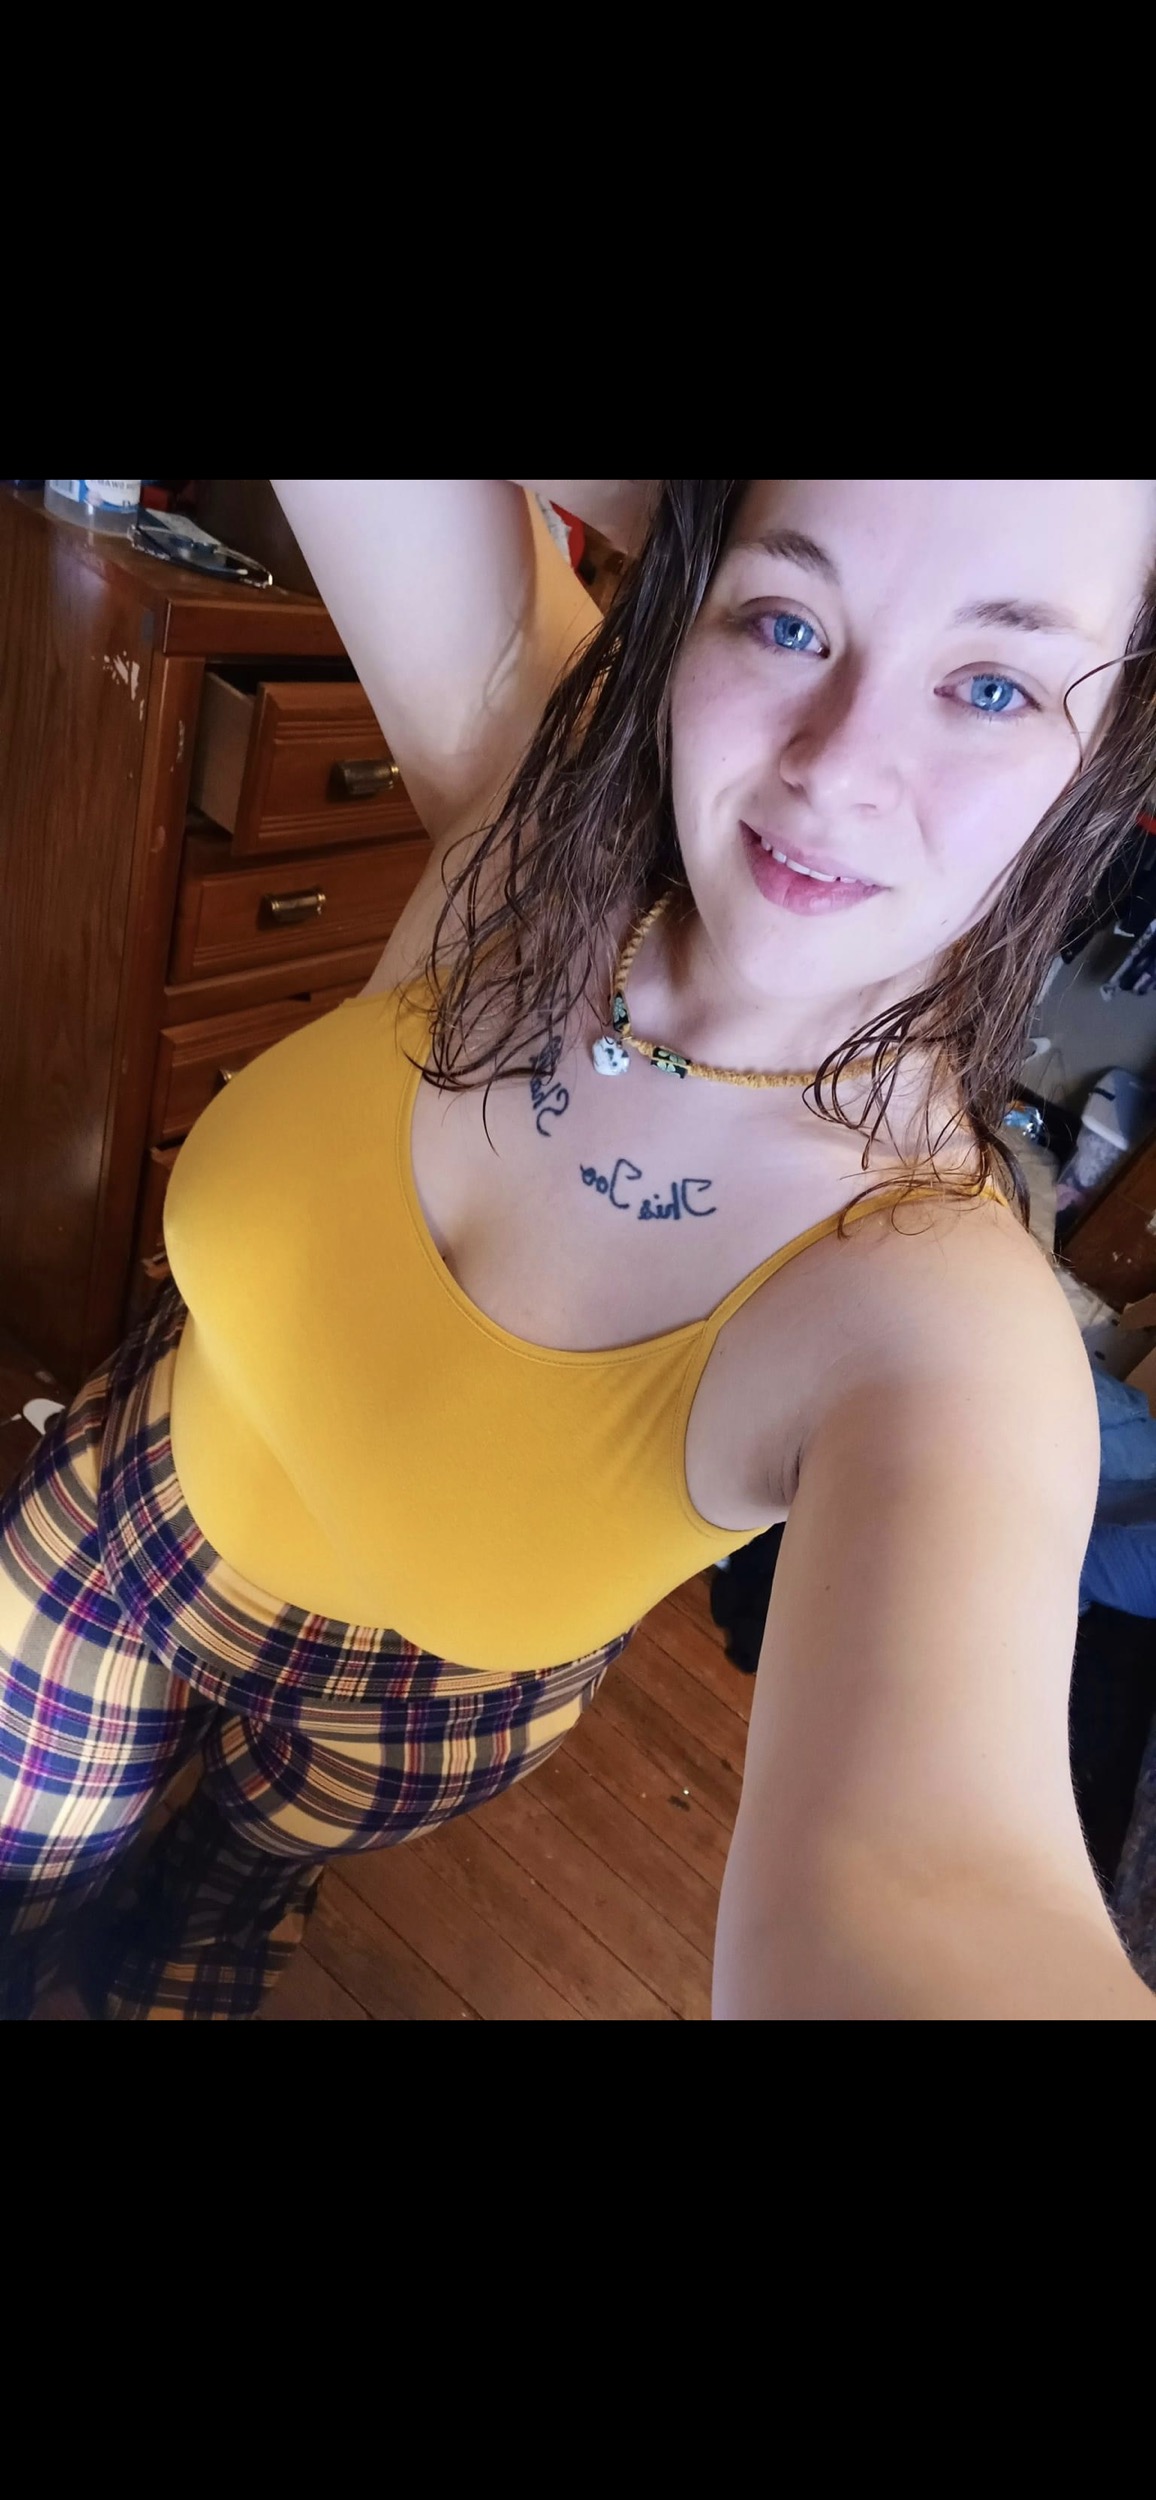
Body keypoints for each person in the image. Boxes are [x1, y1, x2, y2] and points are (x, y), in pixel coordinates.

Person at [2, 476, 1155, 2022]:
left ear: (1112, 744)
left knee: (205, 1936)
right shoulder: (531, 798)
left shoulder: (935, 1313)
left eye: (994, 684)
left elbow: (930, 1889)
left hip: (404, 1723)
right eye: (788, 619)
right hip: (115, 1519)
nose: (837, 770)